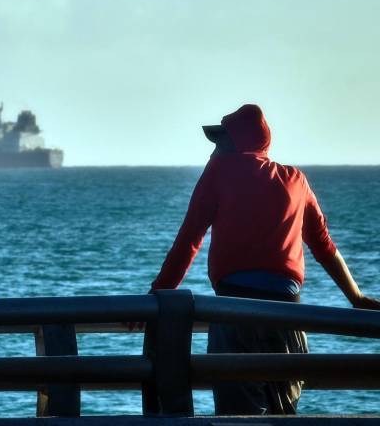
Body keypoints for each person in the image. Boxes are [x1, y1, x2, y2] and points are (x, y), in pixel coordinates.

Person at [150, 103, 380, 415]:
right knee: (282, 416)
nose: (214, 150)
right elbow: (323, 244)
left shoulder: (218, 172)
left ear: (238, 142)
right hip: (288, 317)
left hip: (234, 311)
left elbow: (189, 239)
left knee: (238, 418)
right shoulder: (296, 179)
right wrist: (355, 296)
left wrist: (158, 293)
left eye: (221, 141)